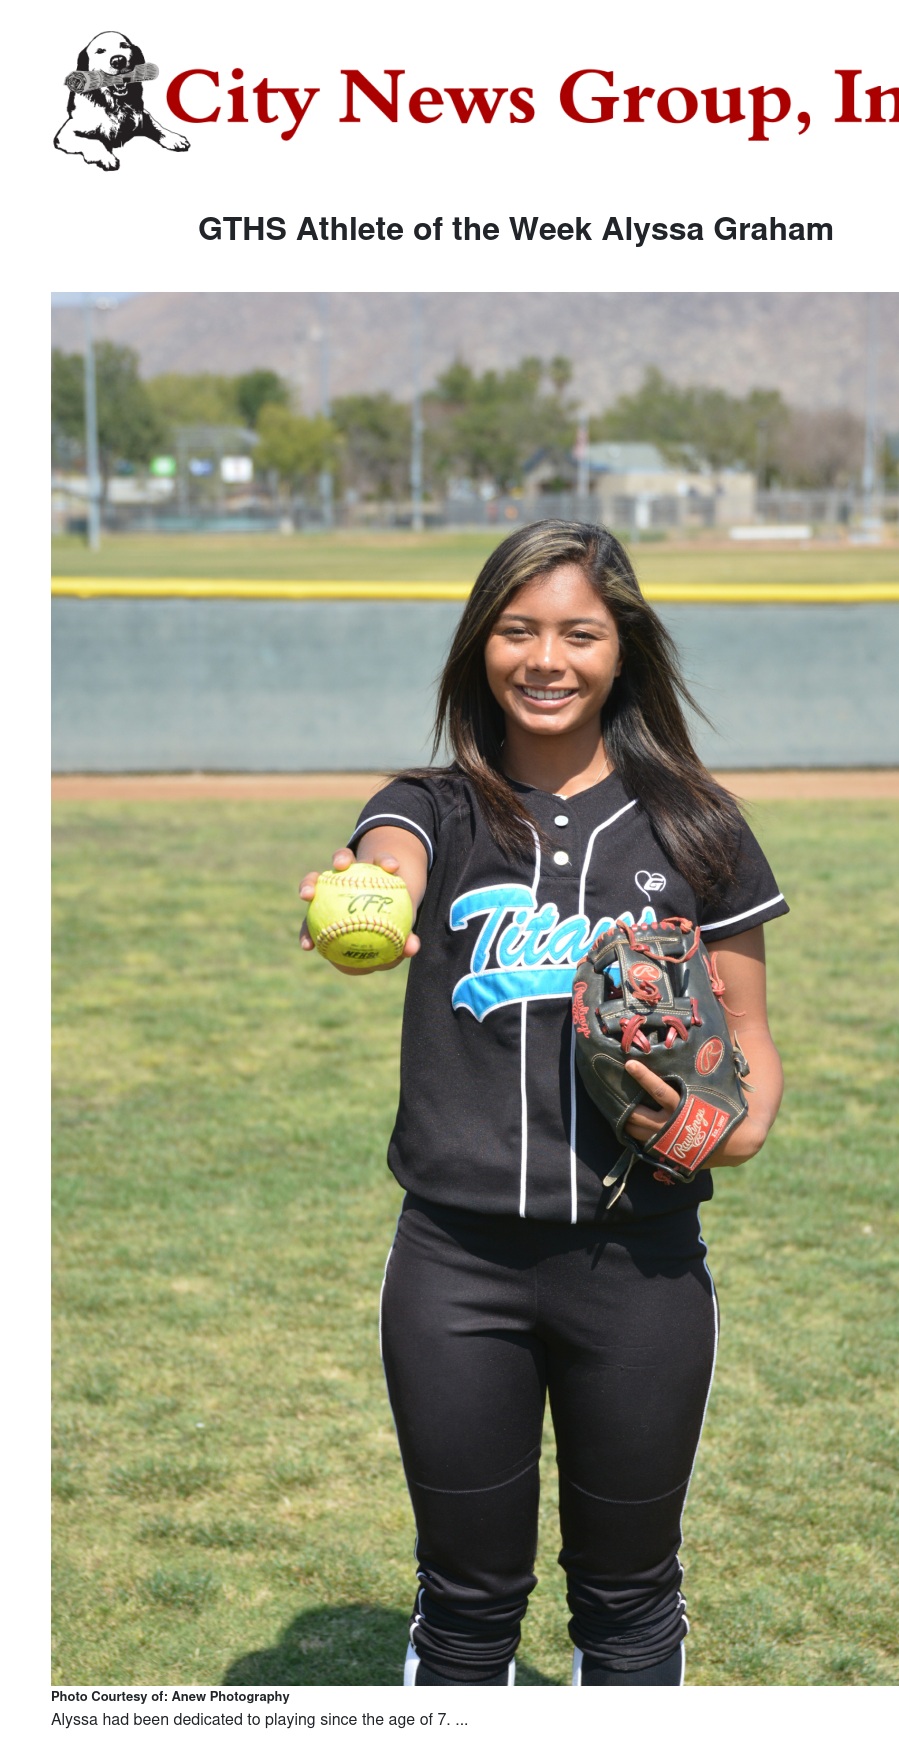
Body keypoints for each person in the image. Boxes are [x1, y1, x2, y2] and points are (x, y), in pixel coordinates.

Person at [299, 521, 788, 1687]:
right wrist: (368, 891)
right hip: (455, 1268)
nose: (546, 658)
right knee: (467, 1608)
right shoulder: (432, 806)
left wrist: (712, 1125)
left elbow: (754, 1061)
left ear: (624, 648)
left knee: (631, 1605)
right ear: (482, 645)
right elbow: (390, 856)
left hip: (642, 1268)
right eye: (517, 630)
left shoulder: (698, 826)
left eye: (579, 632)